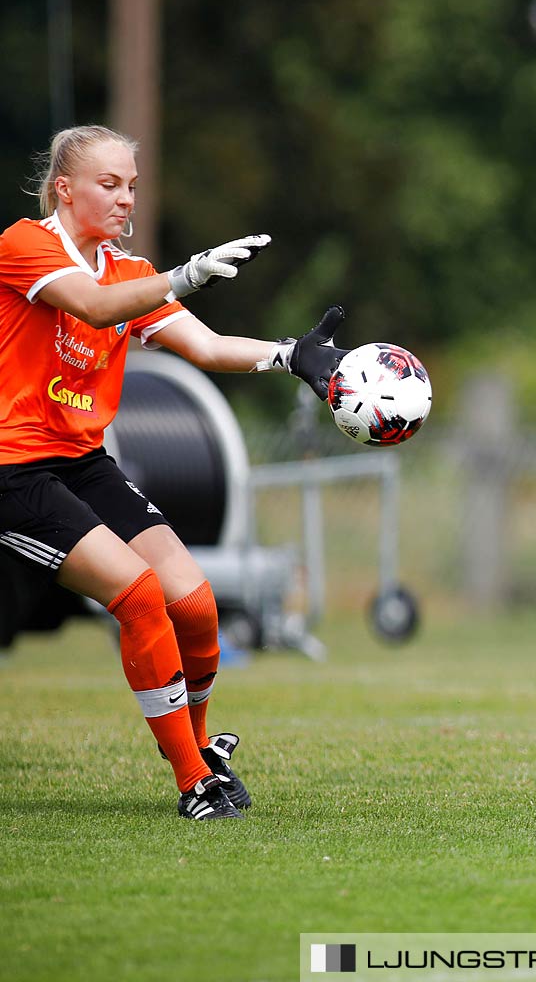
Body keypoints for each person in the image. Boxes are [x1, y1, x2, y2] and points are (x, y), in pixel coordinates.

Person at [0, 125, 348, 820]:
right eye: (110, 184)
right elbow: (93, 307)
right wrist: (186, 274)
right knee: (136, 594)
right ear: (64, 189)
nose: (126, 199)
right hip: (14, 471)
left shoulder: (130, 275)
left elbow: (209, 346)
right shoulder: (24, 245)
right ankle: (194, 781)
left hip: (84, 463)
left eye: (132, 185)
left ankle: (199, 749)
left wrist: (292, 355)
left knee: (193, 601)